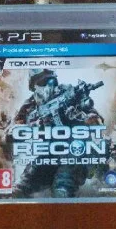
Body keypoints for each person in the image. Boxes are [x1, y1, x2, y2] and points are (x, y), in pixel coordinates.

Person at [9, 70, 105, 199]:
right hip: (50, 153)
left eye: (52, 80)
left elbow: (95, 118)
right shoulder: (30, 105)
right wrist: (35, 126)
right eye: (43, 81)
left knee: (63, 188)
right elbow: (11, 133)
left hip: (76, 151)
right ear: (33, 86)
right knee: (20, 187)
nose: (50, 84)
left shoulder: (67, 92)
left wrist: (87, 118)